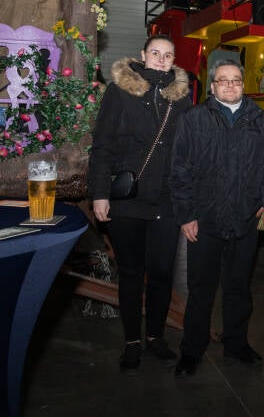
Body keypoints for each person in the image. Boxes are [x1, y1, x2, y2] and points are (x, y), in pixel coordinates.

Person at [88, 34, 192, 370]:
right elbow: (102, 144)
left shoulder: (181, 98)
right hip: (128, 199)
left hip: (165, 200)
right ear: (143, 55)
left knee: (161, 273)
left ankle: (156, 338)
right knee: (131, 272)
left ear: (174, 60)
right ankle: (132, 340)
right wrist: (100, 193)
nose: (162, 60)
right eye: (156, 53)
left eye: (168, 55)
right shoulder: (120, 92)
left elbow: (188, 150)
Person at [170, 59, 264, 376]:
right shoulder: (194, 119)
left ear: (244, 84)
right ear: (212, 86)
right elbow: (180, 169)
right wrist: (186, 215)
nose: (230, 85)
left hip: (244, 220)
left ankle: (236, 344)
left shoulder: (261, 120)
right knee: (201, 289)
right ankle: (192, 349)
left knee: (238, 288)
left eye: (236, 80)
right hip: (205, 220)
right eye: (223, 80)